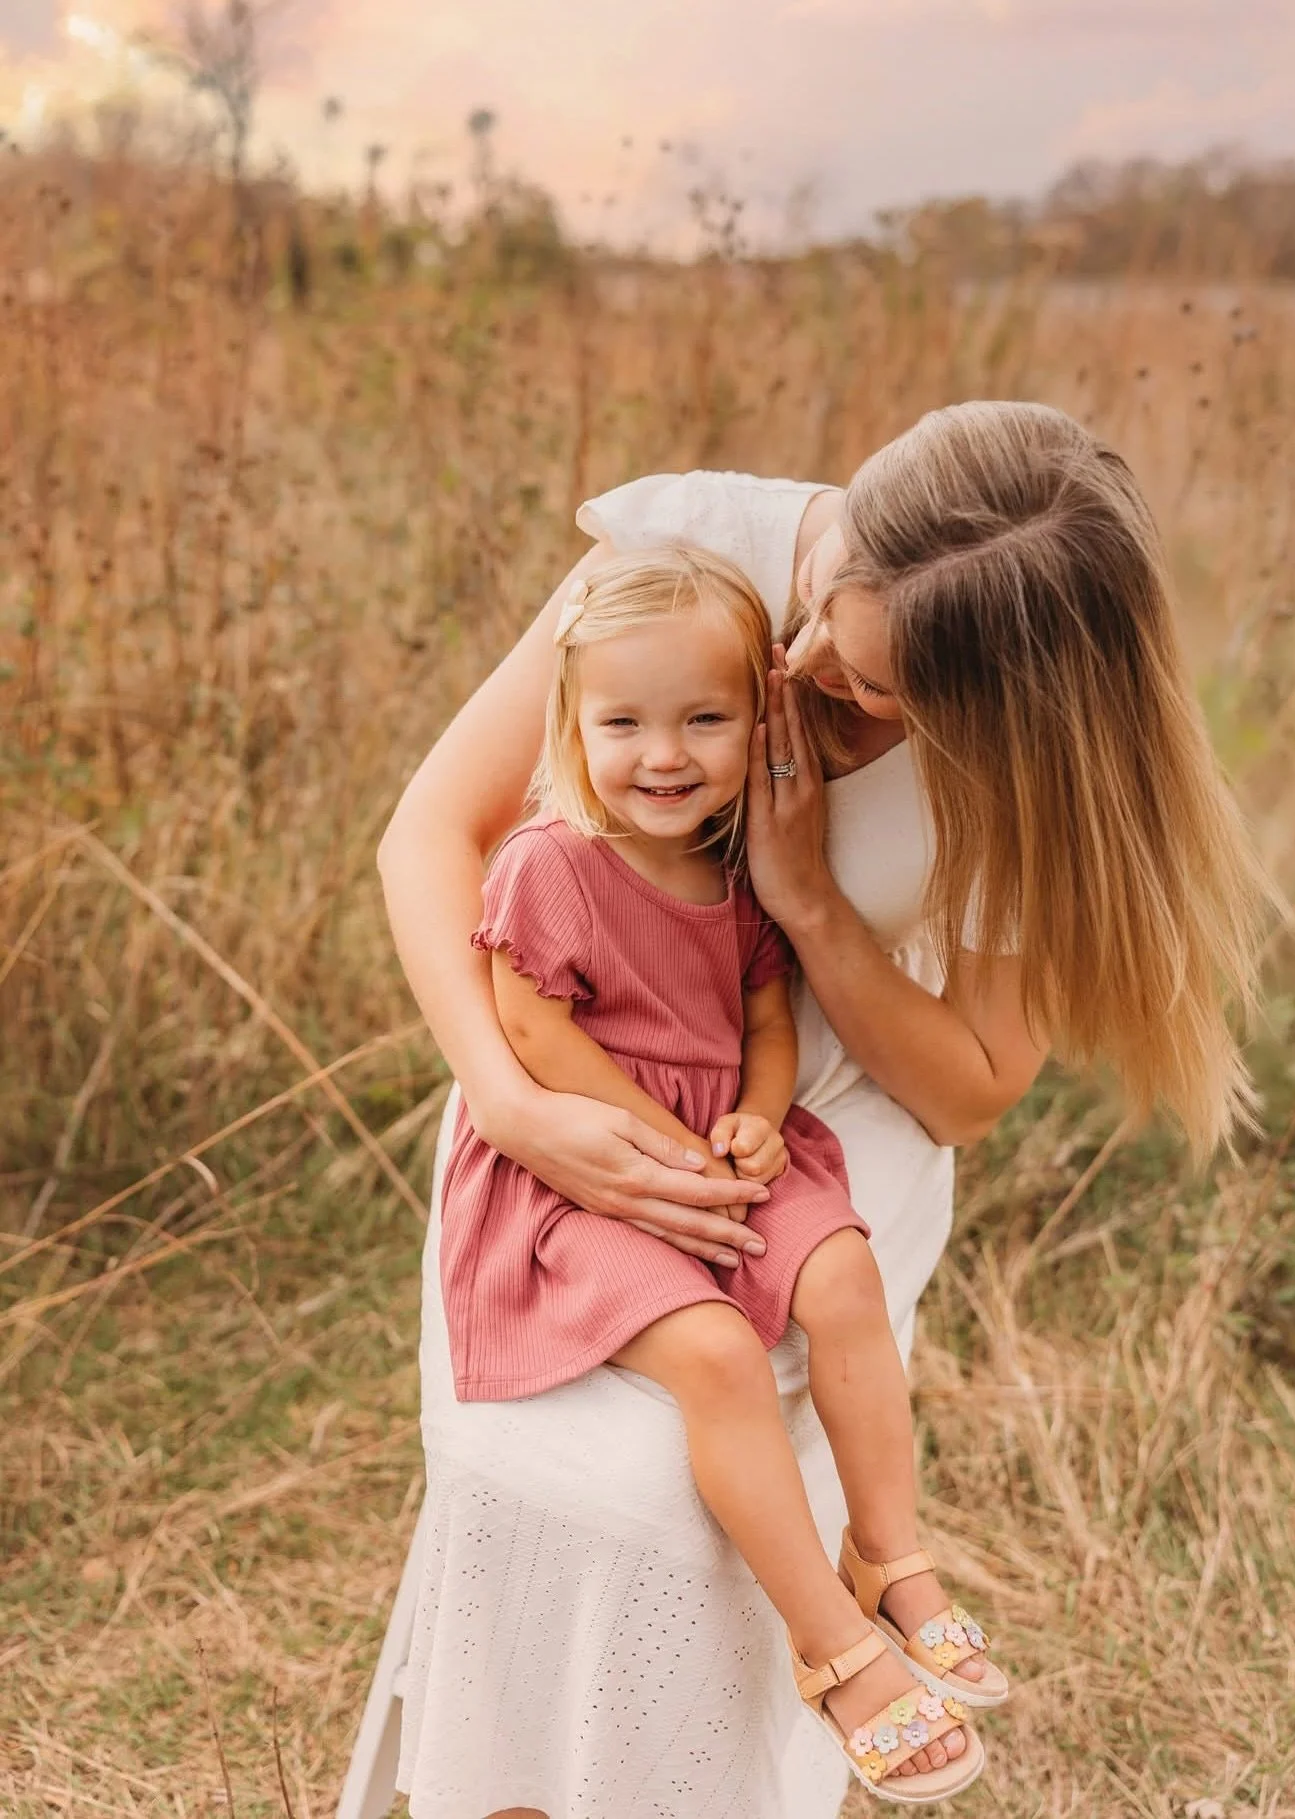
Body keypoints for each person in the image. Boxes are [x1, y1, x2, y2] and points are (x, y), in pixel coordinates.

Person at [381, 403, 1264, 1819]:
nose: (792, 669)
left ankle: (796, 1689)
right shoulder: (686, 554)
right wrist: (510, 1097)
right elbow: (430, 830)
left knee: (685, 1515)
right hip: (559, 1102)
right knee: (565, 1484)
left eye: (863, 686)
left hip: (822, 1129)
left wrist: (802, 904)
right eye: (819, 614)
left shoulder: (1014, 757)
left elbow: (972, 1085)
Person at [442, 544, 1006, 1804]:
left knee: (847, 1278)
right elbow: (531, 1033)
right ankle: (832, 1646)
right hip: (586, 1160)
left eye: (703, 719)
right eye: (623, 722)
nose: (663, 754)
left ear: (760, 718)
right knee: (716, 1356)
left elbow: (766, 1023)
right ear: (570, 725)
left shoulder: (735, 865)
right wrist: (651, 1134)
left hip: (729, 1144)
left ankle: (891, 1555)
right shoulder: (550, 863)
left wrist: (755, 1118)